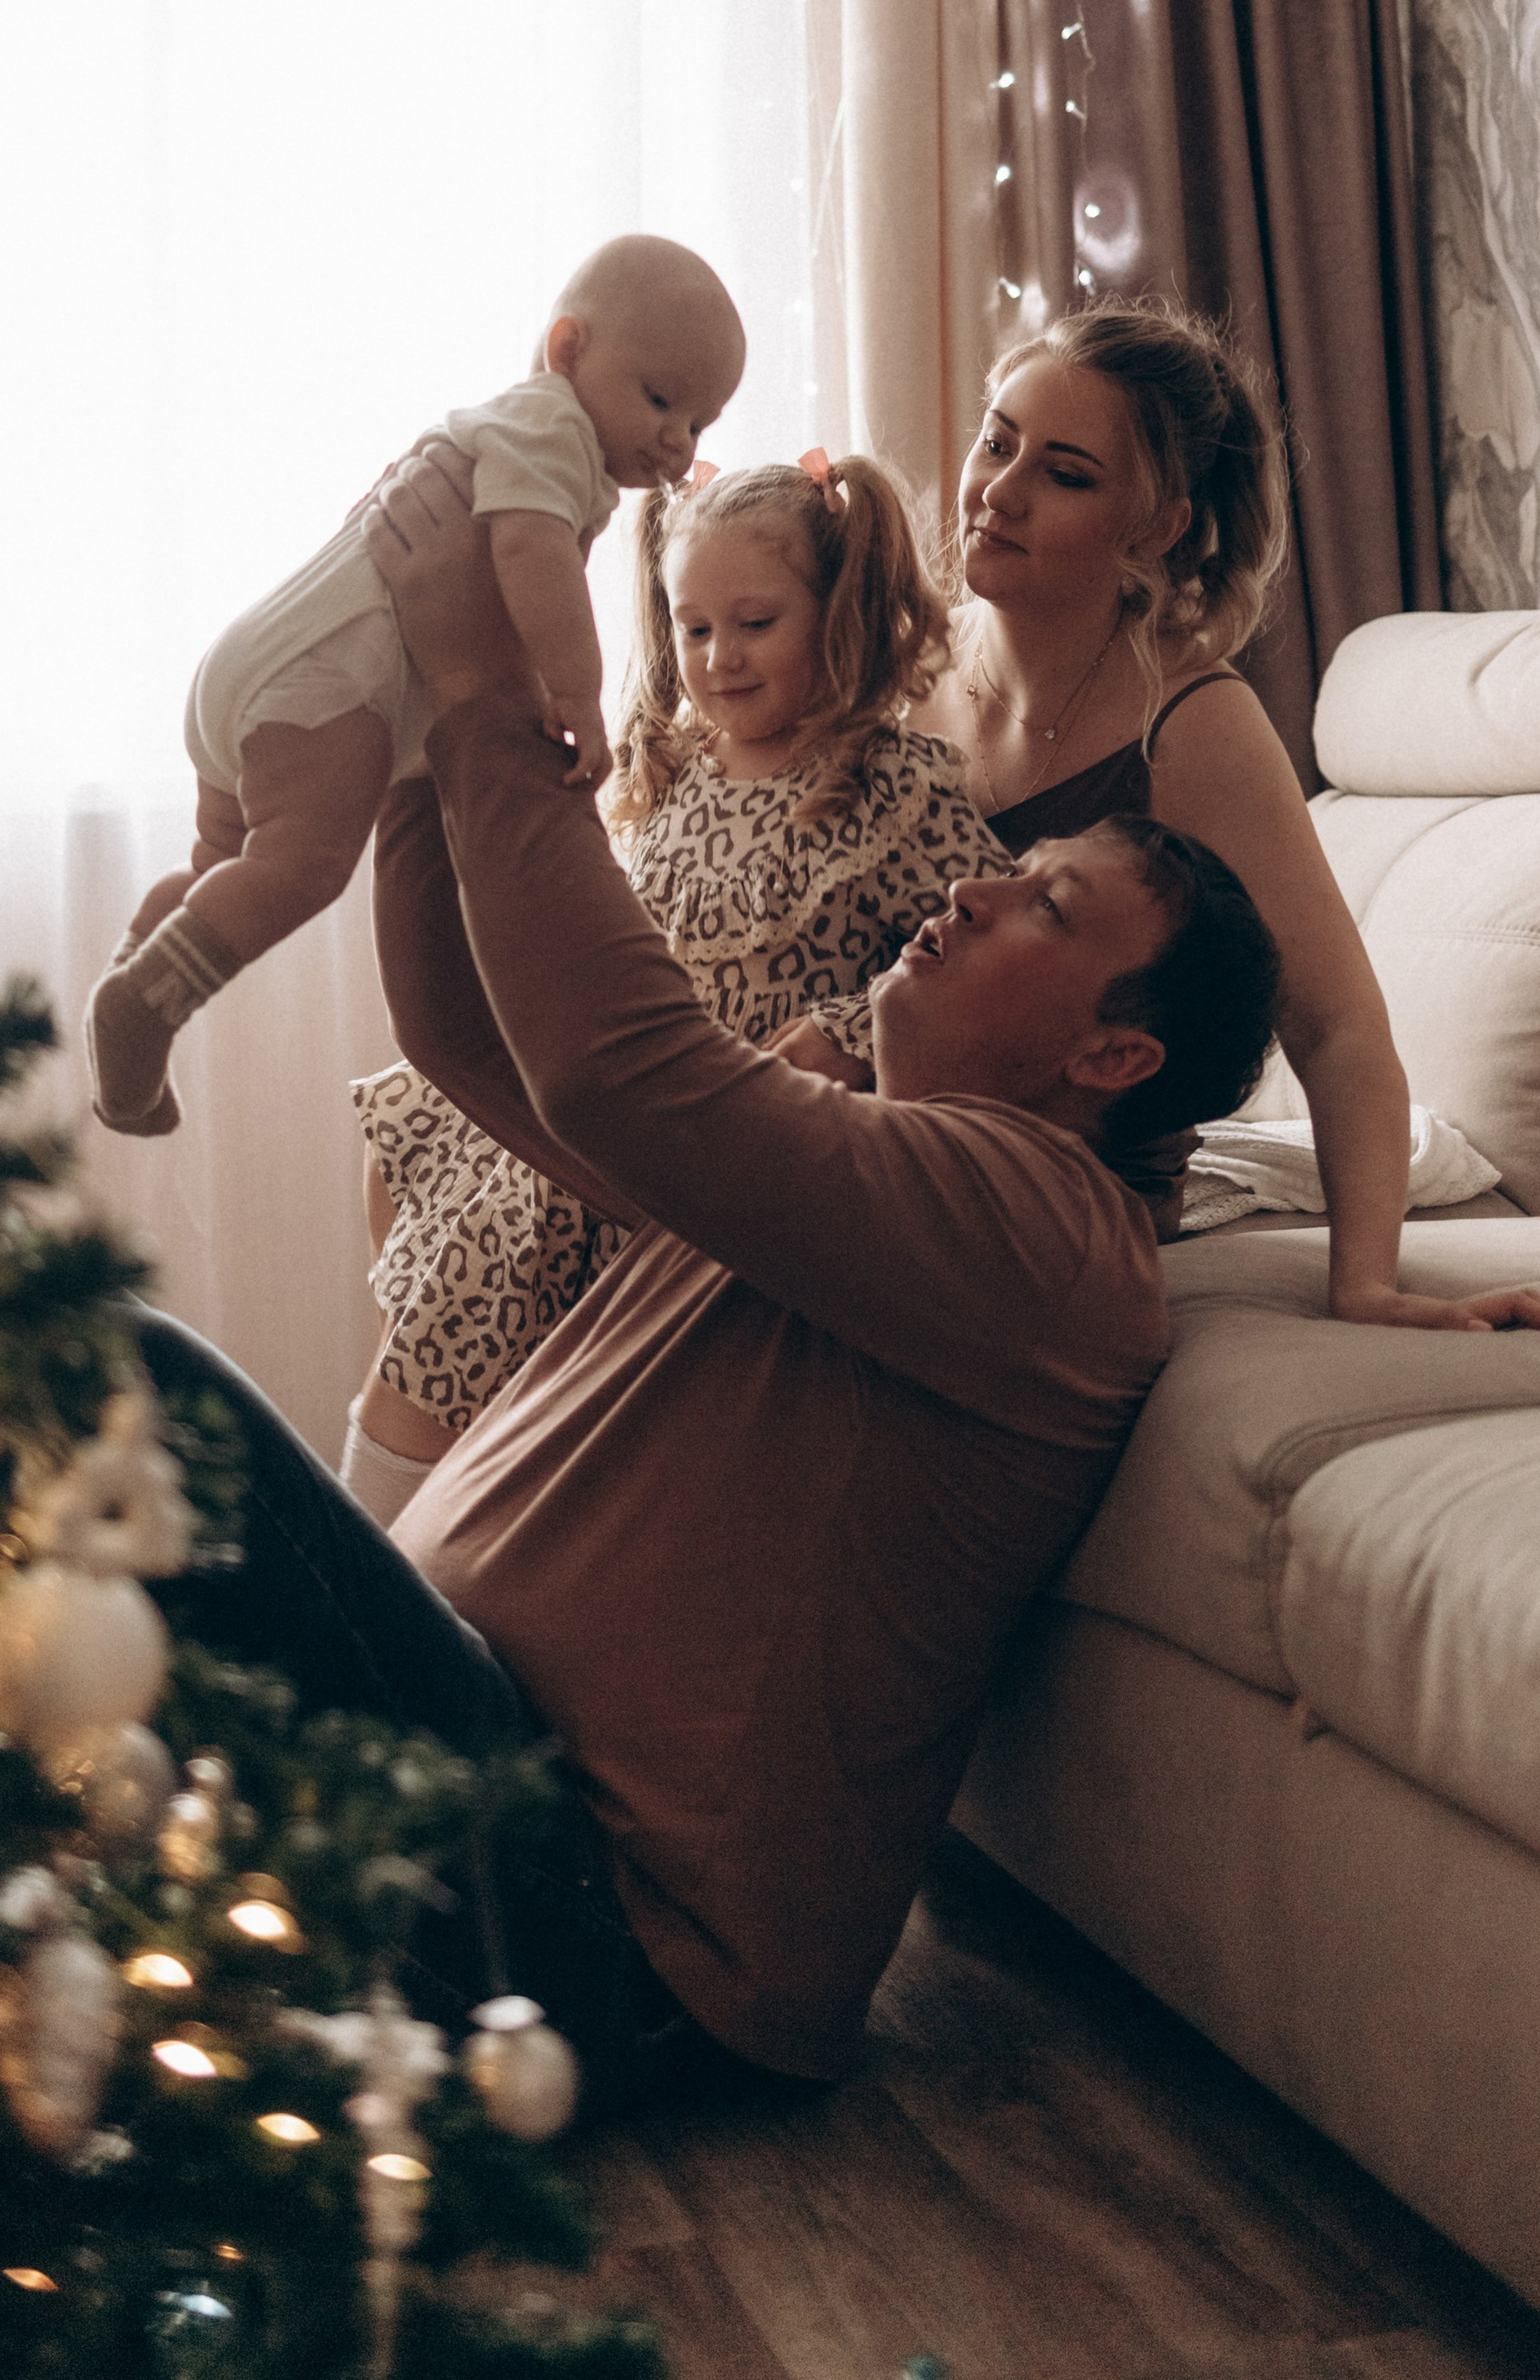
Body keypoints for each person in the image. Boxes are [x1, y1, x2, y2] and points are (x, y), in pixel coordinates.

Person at [170, 441, 1284, 2111]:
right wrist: (411, 753)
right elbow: (476, 1048)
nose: (978, 885)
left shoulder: (1039, 1230)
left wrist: (482, 685)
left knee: (121, 1386)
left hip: (600, 1930)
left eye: (1044, 907)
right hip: (486, 1800)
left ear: (1117, 1054)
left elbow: (619, 1071)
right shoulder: (851, 1138)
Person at [897, 299, 1540, 1335]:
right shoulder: (904, 665)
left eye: (1065, 473)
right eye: (997, 443)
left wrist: (1363, 1285)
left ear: (1159, 527)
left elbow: (1337, 1025)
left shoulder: (1192, 722)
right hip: (880, 1131)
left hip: (1064, 1185)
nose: (997, 492)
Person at [343, 451, 998, 1521]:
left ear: (834, 618)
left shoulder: (899, 785)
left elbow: (978, 960)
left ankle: (377, 1527)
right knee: (422, 1125)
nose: (719, 660)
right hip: (630, 1089)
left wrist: (845, 1032)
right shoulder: (674, 769)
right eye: (694, 629)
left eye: (754, 625)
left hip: (726, 1122)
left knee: (496, 1232)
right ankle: (459, 1472)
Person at [83, 234, 745, 1138]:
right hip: (326, 682)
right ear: (568, 350)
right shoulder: (552, 431)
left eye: (701, 421)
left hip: (262, 664)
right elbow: (528, 554)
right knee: (302, 866)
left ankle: (129, 985)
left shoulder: (508, 428)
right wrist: (579, 692)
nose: (676, 437)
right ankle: (144, 1007)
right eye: (660, 398)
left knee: (221, 867)